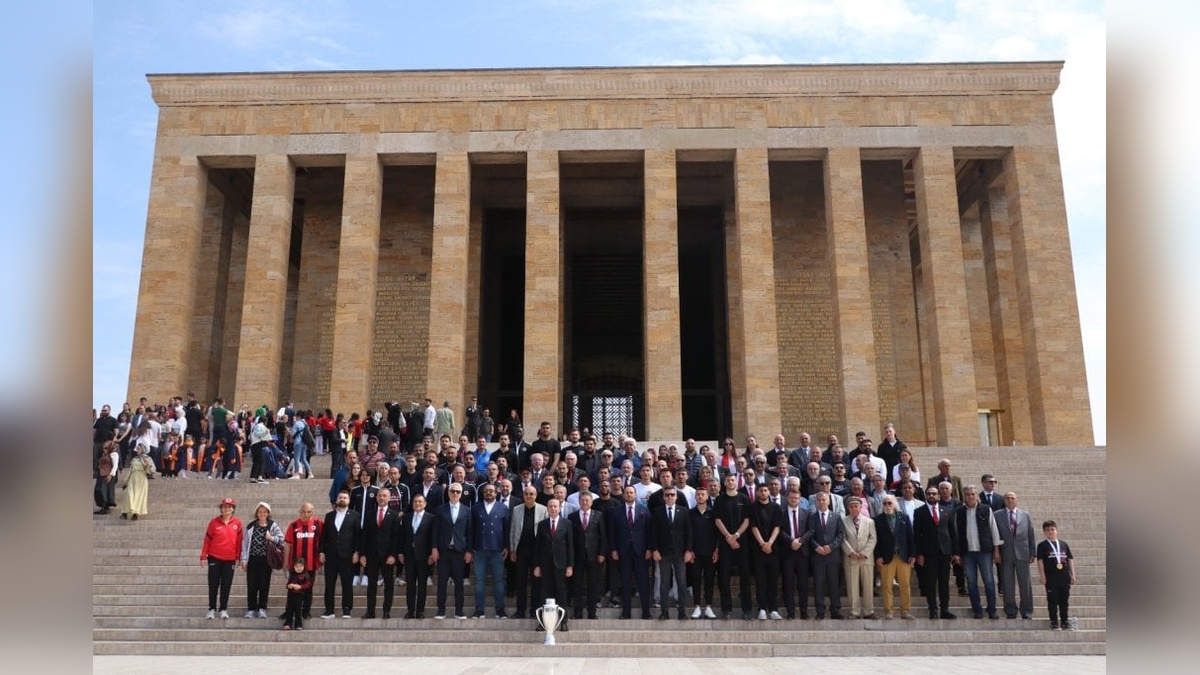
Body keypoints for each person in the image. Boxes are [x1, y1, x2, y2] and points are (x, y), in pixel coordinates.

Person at [951, 485, 1004, 620]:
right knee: (972, 582)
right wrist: (957, 553)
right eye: (968, 494)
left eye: (973, 494)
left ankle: (992, 610)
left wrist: (996, 550)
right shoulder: (959, 512)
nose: (970, 497)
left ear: (977, 496)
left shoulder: (986, 509)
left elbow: (993, 529)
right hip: (967, 552)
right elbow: (956, 534)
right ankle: (977, 610)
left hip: (984, 551)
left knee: (989, 581)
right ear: (964, 496)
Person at [713, 472, 754, 620]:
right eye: (728, 480)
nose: (730, 482)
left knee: (745, 577)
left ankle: (747, 610)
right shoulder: (719, 499)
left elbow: (747, 520)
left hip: (741, 542)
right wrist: (728, 537)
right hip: (725, 542)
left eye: (732, 480)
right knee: (724, 577)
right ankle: (726, 609)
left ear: (736, 482)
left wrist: (736, 536)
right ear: (724, 483)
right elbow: (717, 520)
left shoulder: (743, 498)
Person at [609, 485, 652, 620]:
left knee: (643, 583)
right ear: (623, 495)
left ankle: (646, 612)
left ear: (635, 495)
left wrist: (649, 549)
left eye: (631, 492)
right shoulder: (616, 512)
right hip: (623, 552)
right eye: (626, 493)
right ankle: (626, 612)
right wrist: (614, 549)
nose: (629, 495)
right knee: (625, 583)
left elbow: (649, 532)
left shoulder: (644, 510)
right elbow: (612, 533)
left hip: (641, 552)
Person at [432, 481, 474, 619]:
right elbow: (435, 531)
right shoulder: (440, 509)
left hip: (459, 551)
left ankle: (459, 611)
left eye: (458, 492)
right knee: (442, 582)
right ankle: (441, 610)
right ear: (448, 493)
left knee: (459, 583)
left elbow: (469, 533)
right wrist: (434, 548)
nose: (455, 493)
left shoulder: (467, 511)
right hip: (443, 551)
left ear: (461, 494)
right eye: (452, 491)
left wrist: (469, 551)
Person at [913, 485, 956, 619]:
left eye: (934, 494)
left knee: (944, 582)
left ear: (938, 496)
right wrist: (918, 553)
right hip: (928, 553)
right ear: (926, 495)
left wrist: (956, 552)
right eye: (929, 494)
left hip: (944, 552)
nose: (931, 496)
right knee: (930, 583)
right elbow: (916, 534)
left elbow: (953, 533)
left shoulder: (947, 511)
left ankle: (945, 609)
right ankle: (933, 609)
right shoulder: (919, 511)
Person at [532, 498, 575, 632]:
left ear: (559, 508)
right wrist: (537, 565)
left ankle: (563, 622)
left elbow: (570, 546)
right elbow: (537, 547)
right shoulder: (542, 524)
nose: (553, 509)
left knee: (561, 593)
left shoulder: (567, 523)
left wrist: (570, 565)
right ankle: (543, 622)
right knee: (544, 593)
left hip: (561, 564)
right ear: (548, 509)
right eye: (550, 506)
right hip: (545, 565)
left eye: (555, 506)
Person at [651, 486, 693, 620]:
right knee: (664, 582)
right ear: (663, 497)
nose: (669, 497)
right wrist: (655, 549)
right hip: (663, 552)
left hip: (680, 553)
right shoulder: (658, 512)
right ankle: (664, 612)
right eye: (667, 495)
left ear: (676, 497)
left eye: (672, 495)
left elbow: (689, 533)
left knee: (681, 582)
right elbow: (653, 533)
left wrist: (689, 550)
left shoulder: (684, 511)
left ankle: (682, 611)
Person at [359, 488, 401, 619]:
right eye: (380, 496)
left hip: (387, 555)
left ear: (389, 498)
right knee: (371, 584)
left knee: (388, 584)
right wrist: (363, 554)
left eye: (384, 496)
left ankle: (386, 611)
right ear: (376, 498)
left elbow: (396, 537)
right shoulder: (370, 514)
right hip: (372, 555)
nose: (382, 498)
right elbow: (364, 535)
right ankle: (370, 611)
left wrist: (393, 555)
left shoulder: (394, 515)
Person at [471, 483, 510, 619]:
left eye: (491, 491)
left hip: (497, 550)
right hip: (479, 549)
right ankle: (479, 610)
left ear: (496, 493)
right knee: (479, 581)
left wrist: (506, 546)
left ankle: (500, 610)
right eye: (486, 491)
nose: (488, 493)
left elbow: (507, 529)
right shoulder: (475, 508)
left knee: (498, 581)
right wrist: (471, 548)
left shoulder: (503, 508)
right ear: (483, 493)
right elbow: (471, 529)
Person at [319, 490, 361, 619]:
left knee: (347, 584)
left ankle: (347, 609)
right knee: (329, 584)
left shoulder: (354, 515)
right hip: (331, 555)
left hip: (347, 555)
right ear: (336, 500)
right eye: (340, 497)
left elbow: (358, 536)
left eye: (345, 497)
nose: (342, 499)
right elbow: (324, 536)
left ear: (349, 500)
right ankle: (329, 610)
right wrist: (321, 551)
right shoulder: (329, 516)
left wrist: (357, 552)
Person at [200, 497, 244, 619]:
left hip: (229, 559)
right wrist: (203, 555)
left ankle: (223, 609)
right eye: (224, 506)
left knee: (226, 584)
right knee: (213, 584)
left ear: (233, 509)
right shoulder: (213, 522)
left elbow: (239, 542)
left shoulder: (237, 523)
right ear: (221, 508)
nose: (227, 508)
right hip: (214, 557)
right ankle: (211, 609)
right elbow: (207, 540)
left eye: (229, 506)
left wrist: (238, 557)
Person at [874, 494, 916, 620]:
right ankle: (889, 611)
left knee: (905, 585)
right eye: (885, 503)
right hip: (887, 557)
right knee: (886, 586)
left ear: (894, 504)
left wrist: (913, 554)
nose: (887, 506)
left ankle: (905, 610)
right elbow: (876, 540)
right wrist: (878, 556)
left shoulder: (904, 517)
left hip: (903, 556)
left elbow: (910, 537)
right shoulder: (878, 520)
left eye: (889, 503)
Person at [241, 501, 285, 618]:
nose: (262, 514)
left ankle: (262, 608)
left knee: (264, 584)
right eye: (260, 512)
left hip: (266, 560)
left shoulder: (272, 525)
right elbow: (244, 544)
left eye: (265, 512)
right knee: (252, 585)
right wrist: (244, 559)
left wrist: (271, 538)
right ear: (257, 513)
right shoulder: (251, 526)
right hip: (253, 559)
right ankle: (251, 609)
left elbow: (282, 539)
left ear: (268, 513)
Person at [509, 486, 547, 619]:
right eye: (526, 494)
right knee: (521, 582)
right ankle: (520, 611)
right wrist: (513, 549)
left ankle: (534, 611)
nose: (529, 496)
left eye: (531, 494)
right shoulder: (516, 509)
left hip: (536, 551)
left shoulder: (543, 509)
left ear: (536, 496)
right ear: (523, 496)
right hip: (521, 550)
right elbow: (513, 530)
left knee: (536, 582)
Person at [999, 492, 1037, 620]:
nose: (1010, 500)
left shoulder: (1025, 515)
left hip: (1023, 553)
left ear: (1016, 500)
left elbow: (1030, 534)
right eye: (1007, 498)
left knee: (1025, 584)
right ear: (1004, 500)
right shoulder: (997, 515)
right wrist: (996, 552)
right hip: (1006, 554)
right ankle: (1010, 610)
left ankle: (1026, 611)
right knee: (1008, 584)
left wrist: (1033, 552)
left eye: (1012, 498)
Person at [569, 491, 606, 620]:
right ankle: (577, 612)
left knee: (593, 585)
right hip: (578, 556)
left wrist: (602, 553)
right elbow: (570, 538)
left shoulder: (599, 515)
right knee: (576, 585)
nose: (585, 502)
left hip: (594, 555)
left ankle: (592, 612)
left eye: (587, 500)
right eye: (582, 500)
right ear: (579, 502)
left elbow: (603, 536)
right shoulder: (572, 516)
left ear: (591, 502)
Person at [749, 484, 783, 620]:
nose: (763, 493)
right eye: (760, 491)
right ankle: (762, 608)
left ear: (769, 492)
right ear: (757, 493)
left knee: (773, 580)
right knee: (760, 580)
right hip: (758, 549)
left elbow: (777, 527)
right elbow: (753, 526)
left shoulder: (776, 508)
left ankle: (773, 609)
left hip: (773, 549)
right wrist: (762, 543)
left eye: (765, 490)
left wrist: (770, 543)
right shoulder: (753, 507)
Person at [282, 503, 322, 620]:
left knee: (308, 589)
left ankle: (306, 612)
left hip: (311, 564)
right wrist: (285, 562)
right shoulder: (293, 525)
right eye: (303, 511)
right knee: (292, 589)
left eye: (309, 512)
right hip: (295, 565)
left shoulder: (318, 523)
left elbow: (324, 541)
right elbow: (288, 545)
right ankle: (289, 612)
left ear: (312, 512)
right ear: (299, 512)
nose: (306, 514)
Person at [399, 494, 436, 618]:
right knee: (410, 584)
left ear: (425, 504)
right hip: (409, 555)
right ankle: (410, 611)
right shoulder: (407, 518)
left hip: (424, 556)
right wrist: (401, 552)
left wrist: (432, 554)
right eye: (415, 502)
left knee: (422, 585)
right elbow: (402, 536)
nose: (417, 504)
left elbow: (433, 538)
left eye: (420, 502)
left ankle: (420, 611)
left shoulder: (431, 518)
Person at [810, 492, 845, 620]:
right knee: (818, 584)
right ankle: (820, 611)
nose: (821, 502)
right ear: (816, 502)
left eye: (824, 499)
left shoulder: (836, 517)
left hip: (833, 556)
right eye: (818, 500)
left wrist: (831, 546)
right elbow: (810, 535)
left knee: (834, 584)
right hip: (818, 556)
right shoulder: (812, 517)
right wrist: (817, 547)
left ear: (828, 501)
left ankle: (835, 609)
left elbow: (841, 534)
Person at [841, 496, 877, 619]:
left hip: (866, 558)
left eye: (856, 506)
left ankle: (869, 611)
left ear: (861, 507)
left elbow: (873, 538)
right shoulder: (843, 521)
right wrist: (851, 552)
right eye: (851, 507)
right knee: (852, 586)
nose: (854, 508)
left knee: (868, 585)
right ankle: (854, 611)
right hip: (851, 558)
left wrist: (865, 552)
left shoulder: (869, 521)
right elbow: (842, 538)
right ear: (848, 508)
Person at [779, 486, 812, 619]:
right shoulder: (781, 513)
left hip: (802, 552)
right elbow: (779, 530)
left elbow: (811, 531)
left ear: (800, 499)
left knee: (803, 584)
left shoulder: (806, 513)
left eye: (796, 498)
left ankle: (804, 612)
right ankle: (790, 612)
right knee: (788, 583)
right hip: (788, 552)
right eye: (791, 497)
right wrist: (791, 541)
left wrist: (800, 541)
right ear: (787, 498)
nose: (794, 500)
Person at [1036, 519, 1076, 630]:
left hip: (1064, 577)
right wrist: (1042, 575)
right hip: (1051, 578)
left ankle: (1064, 621)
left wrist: (1073, 574)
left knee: (1064, 600)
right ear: (1044, 532)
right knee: (1052, 600)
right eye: (1047, 530)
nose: (1050, 531)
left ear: (1056, 530)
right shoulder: (1042, 546)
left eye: (1052, 529)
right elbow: (1040, 561)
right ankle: (1053, 621)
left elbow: (1070, 559)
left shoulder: (1063, 544)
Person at [689, 487, 719, 619]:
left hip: (710, 552)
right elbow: (688, 534)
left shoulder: (713, 513)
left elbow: (718, 534)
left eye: (702, 494)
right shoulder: (690, 513)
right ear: (695, 497)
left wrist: (717, 550)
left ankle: (708, 606)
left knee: (709, 580)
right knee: (695, 579)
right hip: (695, 553)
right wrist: (689, 550)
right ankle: (696, 606)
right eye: (698, 495)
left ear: (707, 497)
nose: (700, 496)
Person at [121, 443, 154, 520]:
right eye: (137, 449)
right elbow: (130, 470)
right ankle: (125, 512)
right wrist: (126, 481)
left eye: (138, 449)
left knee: (138, 497)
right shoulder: (134, 459)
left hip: (142, 479)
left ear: (142, 449)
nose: (137, 451)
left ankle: (135, 513)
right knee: (129, 495)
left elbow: (151, 471)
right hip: (133, 479)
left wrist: (147, 465)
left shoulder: (148, 458)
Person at [282, 557, 315, 630]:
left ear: (304, 566)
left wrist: (300, 586)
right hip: (291, 595)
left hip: (299, 596)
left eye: (301, 566)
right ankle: (288, 623)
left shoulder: (305, 575)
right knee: (289, 610)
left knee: (298, 610)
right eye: (297, 566)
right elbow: (288, 584)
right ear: (293, 567)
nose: (299, 568)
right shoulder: (292, 575)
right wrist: (289, 586)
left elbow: (308, 584)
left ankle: (298, 624)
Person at [95, 441, 118, 514]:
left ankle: (104, 507)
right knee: (98, 490)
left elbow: (115, 466)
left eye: (106, 448)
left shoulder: (114, 454)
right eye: (103, 448)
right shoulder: (104, 454)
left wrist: (111, 475)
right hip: (101, 474)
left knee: (103, 491)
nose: (104, 449)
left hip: (107, 475)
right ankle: (103, 506)